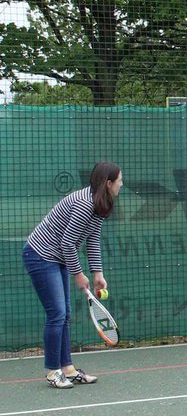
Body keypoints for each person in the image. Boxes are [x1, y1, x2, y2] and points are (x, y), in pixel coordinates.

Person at [23, 162, 123, 389]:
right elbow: (67, 243)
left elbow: (93, 239)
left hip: (57, 257)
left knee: (65, 314)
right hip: (40, 254)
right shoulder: (84, 204)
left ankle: (67, 368)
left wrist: (98, 273)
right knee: (57, 313)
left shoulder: (101, 203)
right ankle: (52, 371)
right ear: (108, 183)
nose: (121, 184)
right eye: (119, 180)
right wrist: (79, 274)